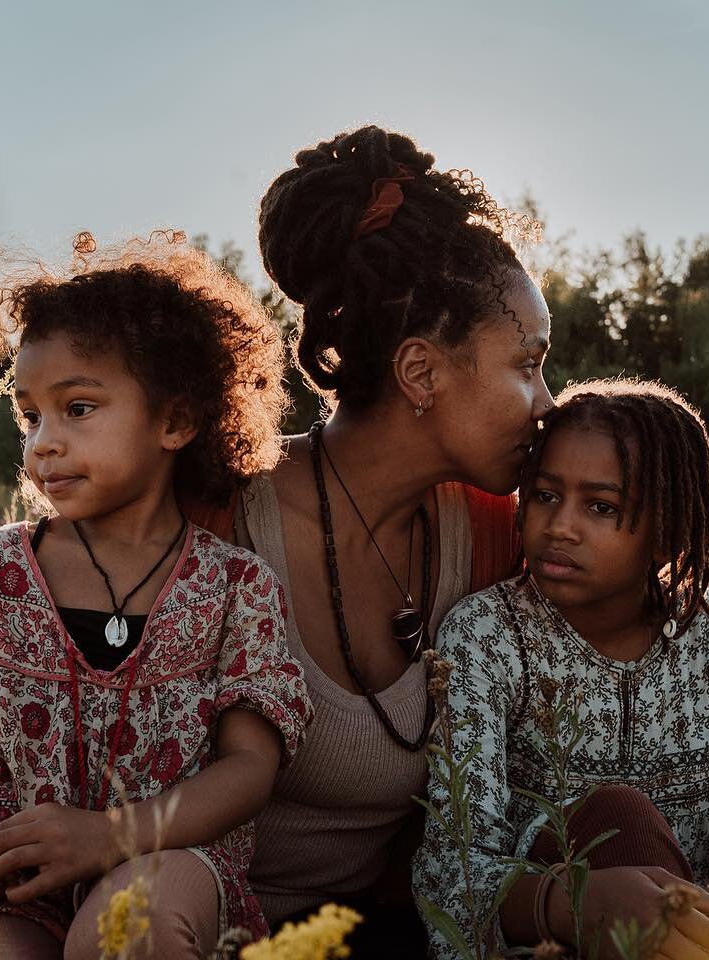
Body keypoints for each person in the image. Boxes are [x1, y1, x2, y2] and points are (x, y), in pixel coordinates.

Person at [0, 233, 311, 959]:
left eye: (77, 408)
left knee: (125, 934)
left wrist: (110, 836)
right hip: (10, 877)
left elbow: (248, 768)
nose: (43, 442)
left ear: (175, 421)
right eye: (30, 415)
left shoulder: (235, 588)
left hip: (166, 864)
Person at [212, 124, 556, 956]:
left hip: (394, 931)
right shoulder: (219, 523)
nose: (549, 403)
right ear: (420, 372)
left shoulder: (493, 536)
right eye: (528, 364)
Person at [414, 378, 709, 960]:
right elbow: (454, 872)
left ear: (667, 532)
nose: (561, 525)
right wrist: (572, 900)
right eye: (544, 495)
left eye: (600, 506)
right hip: (548, 938)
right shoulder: (488, 637)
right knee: (622, 816)